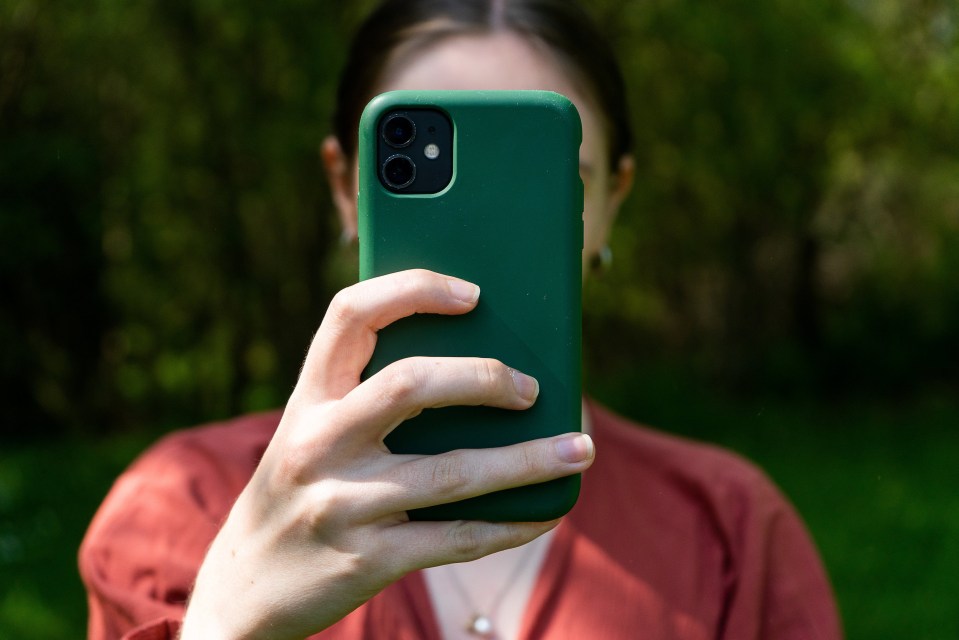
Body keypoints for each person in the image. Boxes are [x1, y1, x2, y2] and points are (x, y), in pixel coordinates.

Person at [79, 1, 843, 639]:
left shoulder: (732, 531)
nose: (485, 237)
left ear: (612, 198)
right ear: (346, 189)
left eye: (542, 182)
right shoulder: (181, 509)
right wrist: (224, 622)